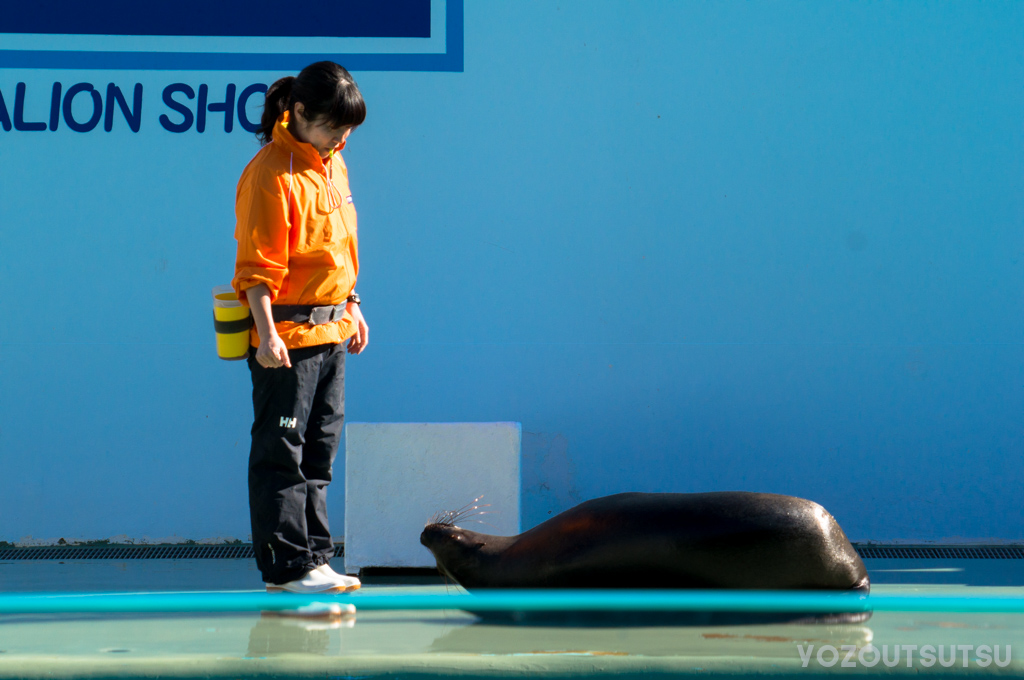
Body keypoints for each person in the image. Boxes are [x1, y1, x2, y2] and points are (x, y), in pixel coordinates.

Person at [232, 61, 369, 594]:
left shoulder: (332, 164)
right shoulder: (271, 171)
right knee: (281, 450)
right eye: (333, 127)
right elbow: (257, 268)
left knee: (319, 449)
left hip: (331, 331)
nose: (341, 138)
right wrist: (265, 335)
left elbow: (335, 249)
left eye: (348, 130)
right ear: (300, 113)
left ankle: (316, 557)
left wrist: (352, 304)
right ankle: (285, 565)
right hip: (286, 339)